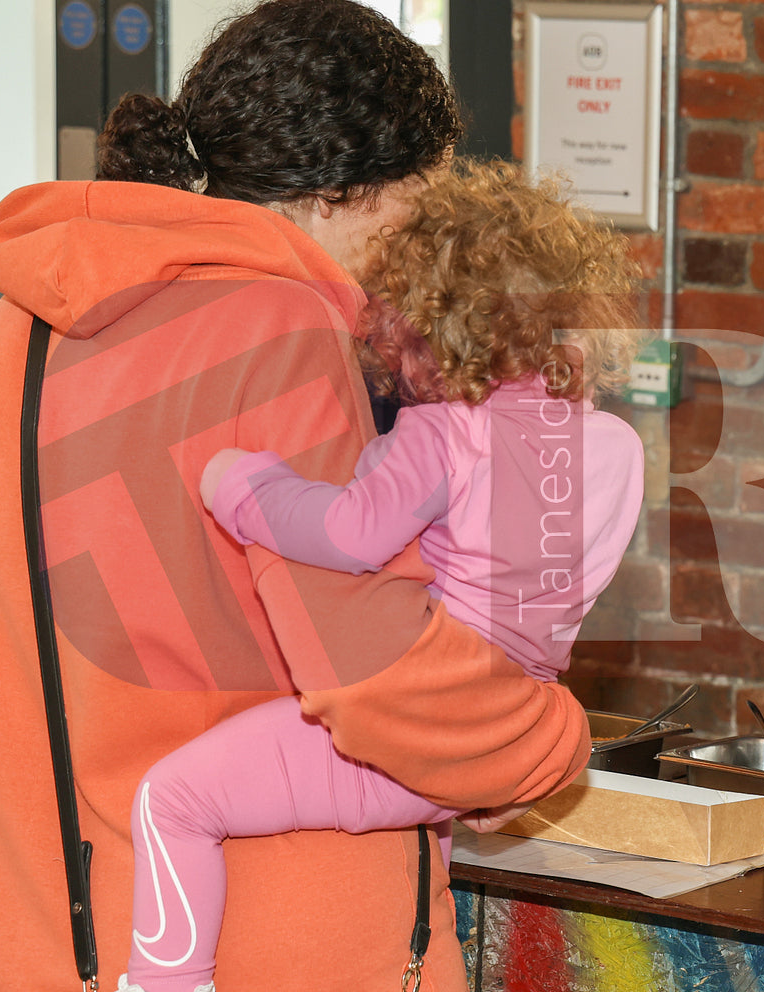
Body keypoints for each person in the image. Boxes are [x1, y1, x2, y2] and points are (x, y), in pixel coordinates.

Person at [0, 0, 592, 990]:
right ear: (336, 194)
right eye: (417, 208)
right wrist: (543, 740)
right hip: (271, 951)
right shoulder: (280, 334)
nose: (422, 263)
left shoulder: (18, 328)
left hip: (37, 941)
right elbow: (372, 677)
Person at [118, 159, 646, 992]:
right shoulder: (617, 446)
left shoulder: (441, 435)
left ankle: (165, 983)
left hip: (409, 734)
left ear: (425, 325)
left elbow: (351, 535)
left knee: (175, 799)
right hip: (499, 743)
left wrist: (247, 488)